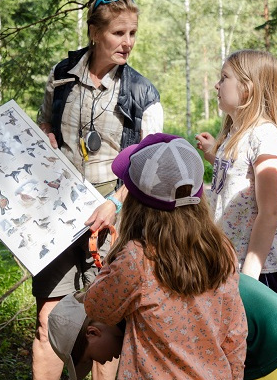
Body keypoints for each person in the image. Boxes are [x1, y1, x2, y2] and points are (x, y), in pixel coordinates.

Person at [33, 0, 163, 380]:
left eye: (133, 33)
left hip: (111, 220)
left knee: (104, 326)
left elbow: (149, 164)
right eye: (118, 33)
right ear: (94, 32)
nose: (128, 43)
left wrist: (117, 204)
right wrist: (45, 136)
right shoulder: (61, 75)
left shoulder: (143, 93)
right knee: (48, 321)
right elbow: (43, 122)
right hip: (56, 218)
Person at [84, 133, 247, 379]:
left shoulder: (137, 258)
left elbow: (97, 306)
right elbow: (235, 333)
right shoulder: (221, 249)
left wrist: (116, 253)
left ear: (136, 203)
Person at [50, 274, 277, 380]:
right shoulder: (128, 303)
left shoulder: (145, 318)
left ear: (93, 333)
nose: (104, 363)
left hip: (271, 340)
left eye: (93, 358)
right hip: (260, 326)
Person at [195, 50, 277, 303]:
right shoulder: (234, 134)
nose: (217, 85)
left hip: (254, 275)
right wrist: (213, 157)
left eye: (224, 77)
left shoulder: (266, 137)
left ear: (247, 89)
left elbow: (269, 212)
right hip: (225, 267)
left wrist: (248, 281)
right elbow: (240, 179)